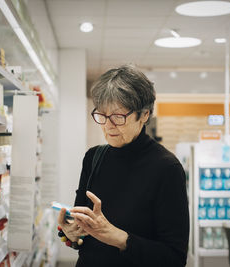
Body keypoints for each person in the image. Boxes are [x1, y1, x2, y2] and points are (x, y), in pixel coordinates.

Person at [57, 65, 189, 267]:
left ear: (144, 115)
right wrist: (71, 234)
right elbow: (81, 235)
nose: (108, 126)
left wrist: (117, 237)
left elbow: (174, 258)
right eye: (102, 115)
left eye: (118, 117)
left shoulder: (167, 169)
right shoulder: (93, 157)